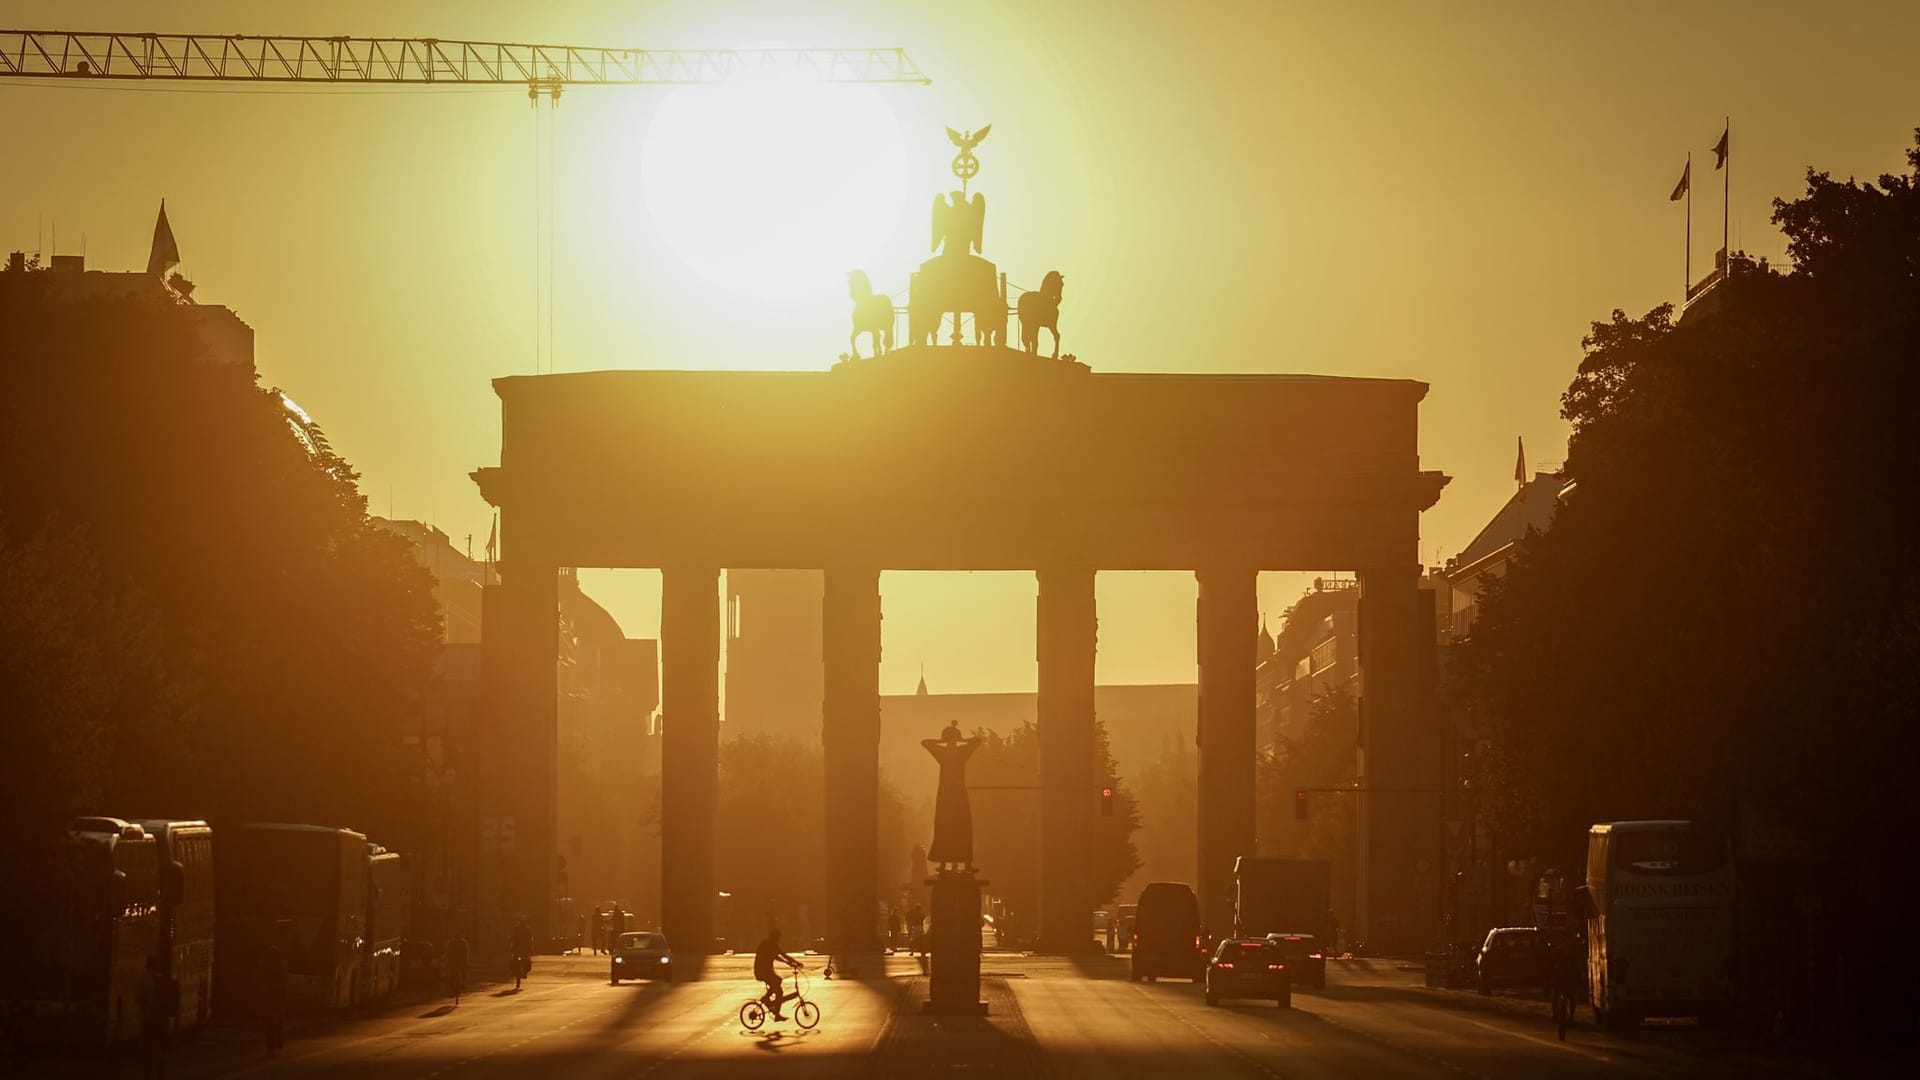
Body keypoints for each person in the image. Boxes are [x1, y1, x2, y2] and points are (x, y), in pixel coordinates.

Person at [140, 954, 178, 1079]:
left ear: (147, 967)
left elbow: (139, 999)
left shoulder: (145, 981)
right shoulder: (164, 980)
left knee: (147, 1049)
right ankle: (160, 1074)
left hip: (148, 1020)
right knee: (160, 1048)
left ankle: (147, 1075)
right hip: (162, 1020)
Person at [754, 927, 802, 1021]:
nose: (779, 939)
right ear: (774, 936)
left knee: (778, 986)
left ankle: (768, 1002)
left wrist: (793, 963)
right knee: (778, 988)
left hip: (766, 971)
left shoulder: (772, 944)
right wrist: (793, 963)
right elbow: (780, 956)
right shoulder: (768, 944)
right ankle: (773, 1009)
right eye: (778, 937)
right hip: (762, 971)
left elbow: (781, 955)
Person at [511, 916, 534, 990]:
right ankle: (521, 971)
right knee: (519, 960)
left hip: (520, 947)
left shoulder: (517, 929)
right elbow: (512, 938)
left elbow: (512, 938)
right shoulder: (526, 929)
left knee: (523, 959)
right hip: (521, 948)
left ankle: (521, 971)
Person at [445, 935, 469, 1004]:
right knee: (462, 971)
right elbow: (466, 953)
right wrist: (466, 962)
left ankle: (452, 988)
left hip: (454, 962)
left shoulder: (451, 943)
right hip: (460, 961)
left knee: (452, 973)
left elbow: (447, 953)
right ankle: (463, 984)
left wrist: (447, 962)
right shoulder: (463, 942)